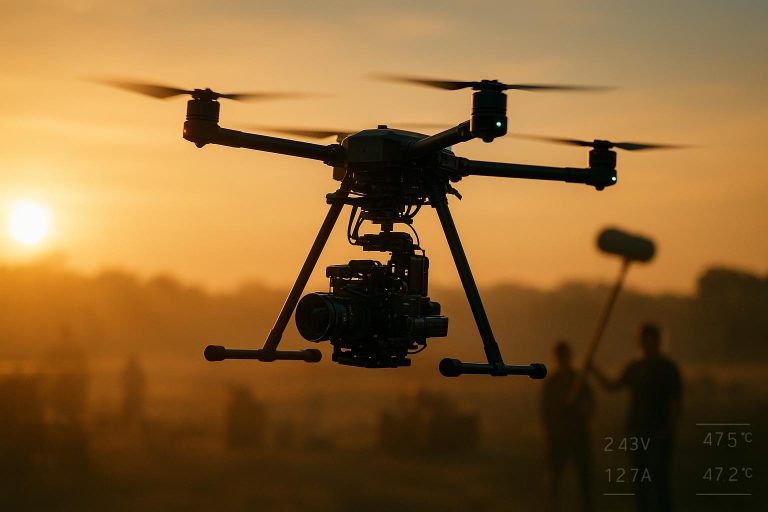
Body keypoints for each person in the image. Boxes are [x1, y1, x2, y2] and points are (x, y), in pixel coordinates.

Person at [591, 322, 682, 512]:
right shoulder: (635, 367)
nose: (642, 343)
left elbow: (676, 401)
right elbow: (613, 386)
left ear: (655, 340)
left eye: (645, 339)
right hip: (637, 431)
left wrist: (670, 428)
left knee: (660, 480)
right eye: (641, 339)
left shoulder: (667, 368)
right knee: (641, 480)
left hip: (659, 431)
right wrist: (594, 370)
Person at [541, 340, 594, 512]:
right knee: (555, 476)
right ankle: (553, 506)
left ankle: (587, 507)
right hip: (558, 437)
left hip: (578, 435)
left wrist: (582, 409)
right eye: (560, 356)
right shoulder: (551, 383)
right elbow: (544, 411)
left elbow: (591, 405)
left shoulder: (579, 381)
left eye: (565, 356)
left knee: (584, 477)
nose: (563, 359)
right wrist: (550, 430)